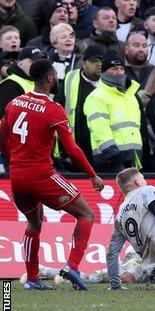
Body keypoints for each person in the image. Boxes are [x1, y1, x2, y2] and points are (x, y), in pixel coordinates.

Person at [0, 58, 104, 290]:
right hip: (42, 175)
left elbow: (2, 134)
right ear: (48, 78)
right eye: (55, 75)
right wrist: (92, 175)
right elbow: (72, 148)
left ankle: (33, 279)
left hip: (17, 177)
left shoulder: (15, 103)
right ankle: (73, 267)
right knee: (86, 214)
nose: (57, 79)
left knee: (33, 224)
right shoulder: (52, 109)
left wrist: (12, 160)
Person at [84, 50, 146, 172]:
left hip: (133, 158)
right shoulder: (96, 97)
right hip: (110, 160)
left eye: (121, 68)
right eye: (114, 69)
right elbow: (100, 130)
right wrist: (114, 157)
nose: (119, 72)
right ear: (104, 71)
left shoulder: (130, 96)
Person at [54, 45, 104, 170]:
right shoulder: (70, 79)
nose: (99, 64)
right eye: (94, 61)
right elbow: (57, 108)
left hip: (101, 148)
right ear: (83, 63)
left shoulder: (108, 82)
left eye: (101, 61)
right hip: (74, 148)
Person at [0, 46, 45, 118]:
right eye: (33, 62)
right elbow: (4, 117)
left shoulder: (38, 82)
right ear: (20, 64)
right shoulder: (11, 84)